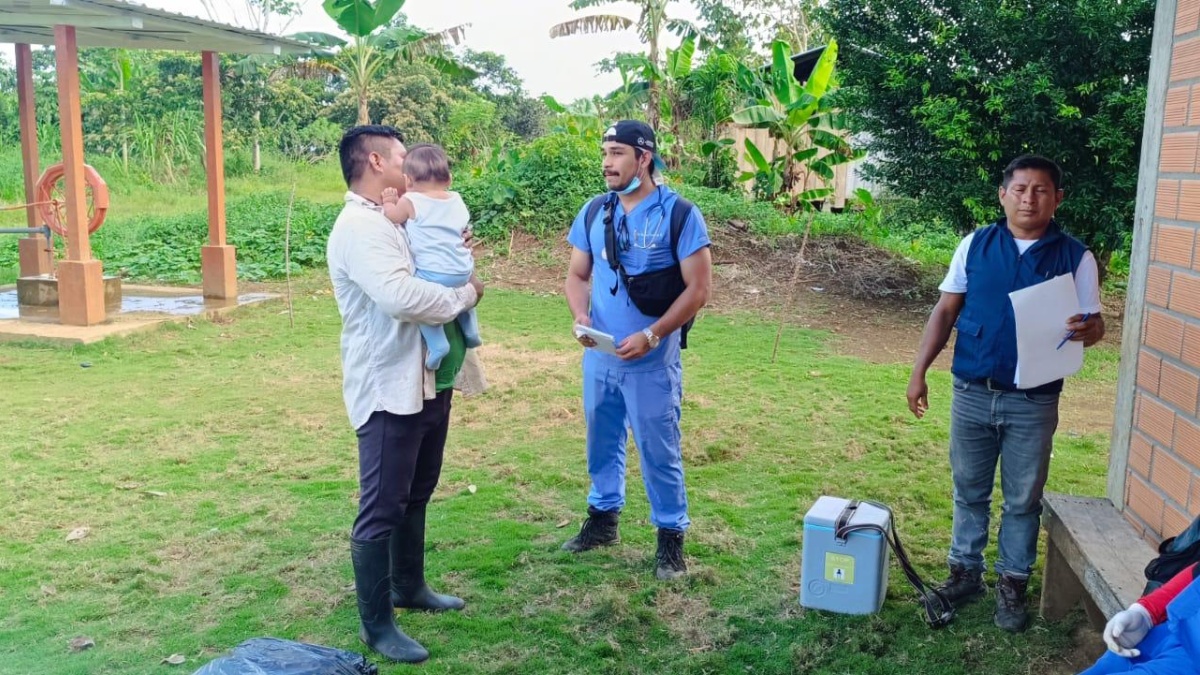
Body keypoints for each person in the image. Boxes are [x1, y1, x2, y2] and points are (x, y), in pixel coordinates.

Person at [905, 154, 1106, 632]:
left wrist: (1089, 330)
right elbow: (944, 312)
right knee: (969, 490)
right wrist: (919, 372)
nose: (1029, 198)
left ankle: (1013, 584)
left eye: (1041, 190)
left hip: (1033, 400)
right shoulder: (976, 245)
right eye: (1019, 189)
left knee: (1022, 499)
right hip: (973, 389)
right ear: (1003, 194)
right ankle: (964, 573)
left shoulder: (1075, 257)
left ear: (1057, 199)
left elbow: (1095, 326)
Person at [326, 125, 485, 664]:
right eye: (400, 156)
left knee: (417, 489)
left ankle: (409, 586)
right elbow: (400, 296)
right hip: (389, 385)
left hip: (426, 378)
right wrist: (466, 291)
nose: (410, 164)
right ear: (375, 161)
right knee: (382, 504)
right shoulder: (359, 227)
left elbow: (431, 258)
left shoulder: (397, 215)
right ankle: (376, 625)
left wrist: (455, 249)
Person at [561, 119, 713, 580]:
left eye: (617, 153)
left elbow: (699, 290)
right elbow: (576, 275)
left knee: (658, 448)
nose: (607, 162)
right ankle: (603, 520)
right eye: (605, 152)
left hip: (652, 363)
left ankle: (670, 540)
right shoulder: (593, 211)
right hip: (600, 356)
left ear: (643, 159)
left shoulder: (680, 214)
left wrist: (653, 334)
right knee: (600, 440)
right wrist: (581, 316)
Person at [379, 143, 483, 370]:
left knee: (421, 301)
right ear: (449, 179)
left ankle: (437, 345)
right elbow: (463, 226)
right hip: (463, 269)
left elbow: (395, 217)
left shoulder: (410, 200)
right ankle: (471, 330)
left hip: (434, 274)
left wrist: (388, 202)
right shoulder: (456, 199)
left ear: (408, 181)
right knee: (464, 296)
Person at [1079, 563, 1200, 674]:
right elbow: (1195, 574)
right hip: (1166, 632)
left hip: (1191, 661)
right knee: (1103, 668)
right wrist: (1144, 613)